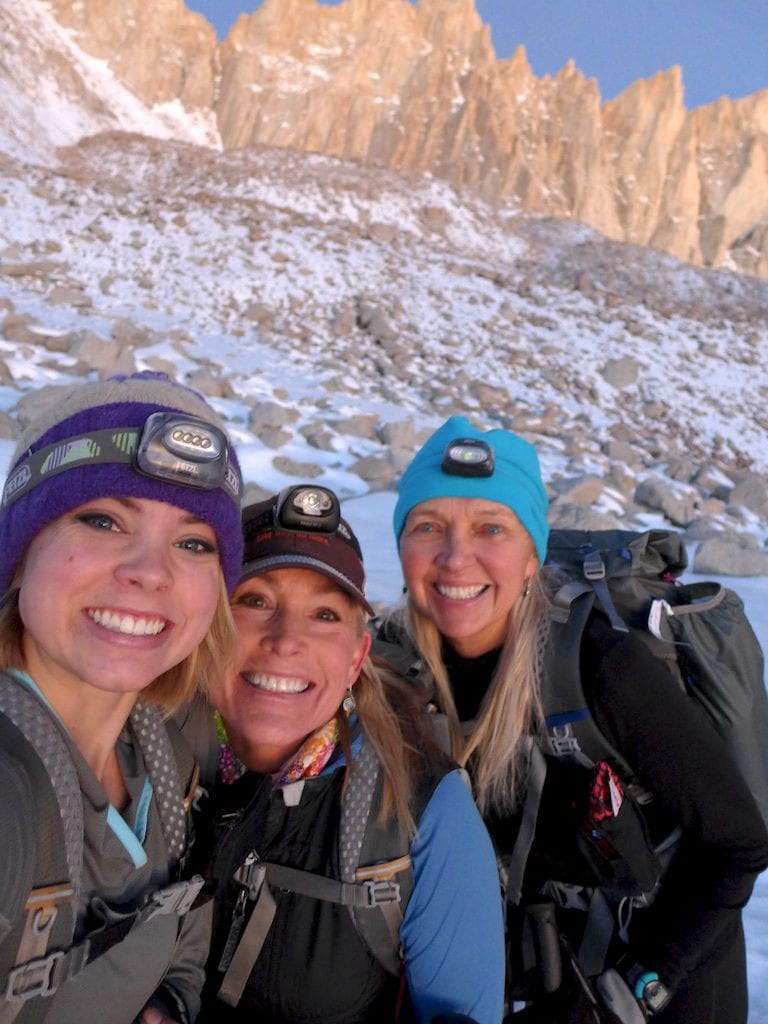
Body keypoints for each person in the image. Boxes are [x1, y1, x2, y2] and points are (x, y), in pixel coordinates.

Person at [376, 414, 768, 1023]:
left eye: (491, 528)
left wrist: (637, 988)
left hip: (668, 975)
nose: (456, 558)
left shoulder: (598, 665)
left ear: (532, 556)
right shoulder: (392, 669)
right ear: (401, 547)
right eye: (428, 526)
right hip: (535, 981)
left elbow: (737, 840)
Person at [189, 485, 505, 1024]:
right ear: (206, 623)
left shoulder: (424, 812)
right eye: (256, 600)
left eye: (326, 616)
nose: (286, 640)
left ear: (358, 655)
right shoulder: (141, 766)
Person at [0, 371, 244, 1024]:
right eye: (104, 520)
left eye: (193, 543)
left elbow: (181, 918)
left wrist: (166, 1001)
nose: (150, 571)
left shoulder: (164, 746)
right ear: (19, 553)